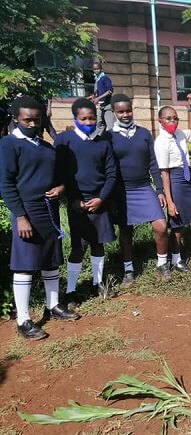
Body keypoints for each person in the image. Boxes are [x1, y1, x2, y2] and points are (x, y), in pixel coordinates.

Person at [0, 97, 79, 340]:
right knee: (25, 264)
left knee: (50, 259)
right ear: (16, 119)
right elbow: (6, 183)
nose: (33, 123)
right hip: (27, 210)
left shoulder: (46, 147)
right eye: (27, 119)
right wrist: (20, 216)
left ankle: (53, 305)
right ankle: (23, 319)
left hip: (49, 208)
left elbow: (57, 176)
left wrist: (61, 188)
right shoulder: (8, 144)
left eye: (37, 119)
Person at [55, 98, 117, 307]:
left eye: (92, 118)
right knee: (78, 247)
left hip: (99, 201)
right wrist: (72, 200)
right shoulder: (65, 141)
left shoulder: (103, 143)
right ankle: (71, 291)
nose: (89, 122)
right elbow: (60, 174)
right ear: (75, 118)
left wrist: (101, 198)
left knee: (98, 244)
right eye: (84, 118)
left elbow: (111, 174)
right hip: (77, 204)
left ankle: (97, 282)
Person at [107, 94, 170, 285]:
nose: (125, 114)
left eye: (128, 110)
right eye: (121, 112)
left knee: (161, 225)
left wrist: (159, 190)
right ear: (114, 113)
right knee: (126, 230)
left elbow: (153, 162)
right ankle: (128, 270)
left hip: (143, 187)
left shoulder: (144, 134)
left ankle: (162, 264)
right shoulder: (108, 136)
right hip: (121, 190)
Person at [154, 98, 191, 270]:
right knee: (178, 223)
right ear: (161, 121)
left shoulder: (180, 134)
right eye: (168, 118)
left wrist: (190, 110)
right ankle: (176, 260)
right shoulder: (161, 142)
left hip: (189, 180)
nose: (172, 121)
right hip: (175, 181)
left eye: (175, 118)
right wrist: (170, 201)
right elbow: (164, 173)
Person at [88, 61, 114, 136]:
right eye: (94, 69)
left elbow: (109, 91)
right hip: (100, 106)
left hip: (107, 106)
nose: (96, 70)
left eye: (97, 69)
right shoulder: (97, 79)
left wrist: (98, 98)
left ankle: (114, 143)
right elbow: (99, 92)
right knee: (99, 124)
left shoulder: (104, 78)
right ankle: (96, 141)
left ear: (101, 69)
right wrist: (93, 96)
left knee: (110, 126)